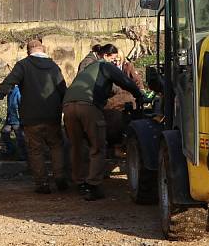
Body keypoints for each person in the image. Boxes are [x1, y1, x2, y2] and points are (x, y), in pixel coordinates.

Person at [62, 45, 146, 201]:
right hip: (88, 106)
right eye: (113, 59)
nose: (115, 62)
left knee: (77, 146)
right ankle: (93, 186)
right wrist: (138, 94)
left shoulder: (87, 68)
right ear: (106, 56)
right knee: (98, 146)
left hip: (68, 106)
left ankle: (79, 182)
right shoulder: (104, 65)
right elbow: (124, 81)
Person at [0, 39, 67, 194]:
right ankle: (60, 178)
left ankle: (42, 184)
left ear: (28, 51)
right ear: (43, 49)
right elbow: (63, 89)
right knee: (56, 146)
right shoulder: (54, 67)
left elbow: (7, 83)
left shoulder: (23, 65)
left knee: (35, 150)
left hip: (31, 117)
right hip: (52, 116)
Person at [0, 85, 27, 160]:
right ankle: (11, 149)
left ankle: (24, 156)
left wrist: (22, 120)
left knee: (20, 138)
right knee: (4, 132)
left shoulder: (18, 92)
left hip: (17, 119)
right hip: (10, 119)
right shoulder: (9, 93)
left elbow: (22, 106)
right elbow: (10, 107)